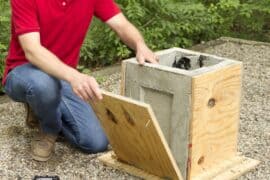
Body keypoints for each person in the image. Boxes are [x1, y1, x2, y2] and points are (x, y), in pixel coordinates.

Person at [2, 0, 158, 162]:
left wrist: (140, 44)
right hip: (24, 72)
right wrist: (74, 76)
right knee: (43, 85)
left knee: (95, 142)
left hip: (62, 75)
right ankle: (49, 128)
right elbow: (32, 51)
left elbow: (121, 25)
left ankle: (43, 105)